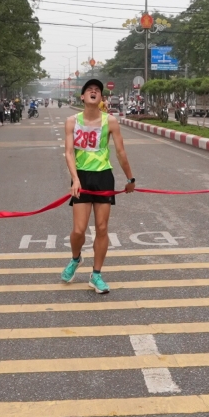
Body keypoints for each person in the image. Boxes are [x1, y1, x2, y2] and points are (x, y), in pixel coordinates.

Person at [60, 78, 136, 294]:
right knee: (78, 230)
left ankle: (97, 274)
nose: (93, 92)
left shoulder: (110, 121)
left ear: (101, 97)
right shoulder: (71, 122)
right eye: (89, 90)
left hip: (103, 176)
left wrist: (130, 179)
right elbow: (69, 152)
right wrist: (75, 179)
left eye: (97, 90)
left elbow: (121, 152)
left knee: (102, 228)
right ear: (82, 97)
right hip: (82, 178)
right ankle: (75, 259)